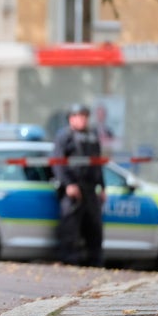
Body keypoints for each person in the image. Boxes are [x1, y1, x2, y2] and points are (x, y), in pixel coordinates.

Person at [52, 104, 106, 267]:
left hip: (90, 189)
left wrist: (102, 186)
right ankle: (70, 262)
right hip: (72, 190)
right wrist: (68, 184)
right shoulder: (64, 136)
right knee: (70, 228)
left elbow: (97, 163)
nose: (83, 119)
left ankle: (95, 263)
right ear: (71, 118)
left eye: (85, 116)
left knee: (95, 228)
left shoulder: (92, 136)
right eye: (79, 116)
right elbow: (58, 163)